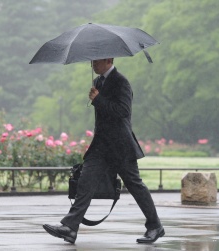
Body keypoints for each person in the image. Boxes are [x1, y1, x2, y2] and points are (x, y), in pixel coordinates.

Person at [43, 58, 164, 244]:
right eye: (92, 60)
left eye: (96, 60)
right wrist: (97, 99)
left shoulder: (121, 82)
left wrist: (98, 99)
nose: (92, 64)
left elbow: (123, 111)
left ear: (109, 60)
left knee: (135, 185)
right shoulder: (97, 82)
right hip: (101, 145)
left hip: (121, 146)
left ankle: (155, 226)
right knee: (85, 181)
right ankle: (70, 227)